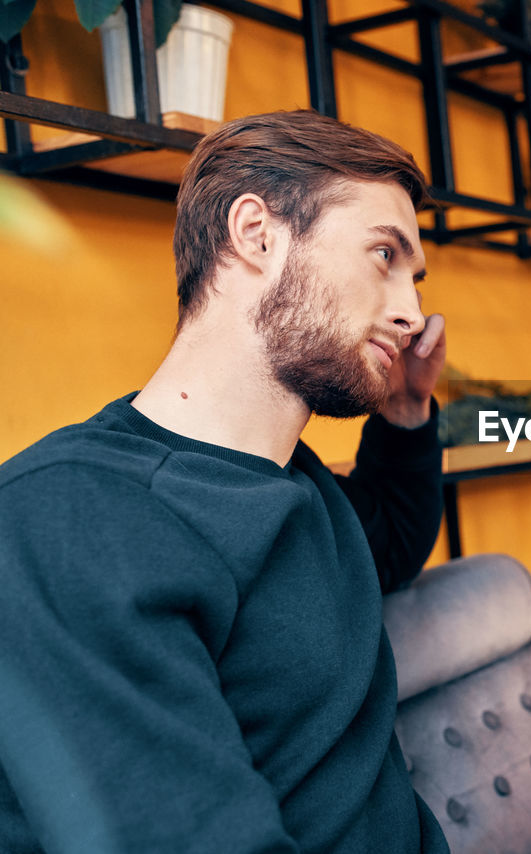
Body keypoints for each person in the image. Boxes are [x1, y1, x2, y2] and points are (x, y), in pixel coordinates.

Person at [0, 111, 451, 853]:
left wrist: (406, 406)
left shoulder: (302, 491)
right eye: (383, 255)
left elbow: (393, 543)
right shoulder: (67, 516)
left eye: (415, 277)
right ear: (256, 234)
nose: (411, 311)